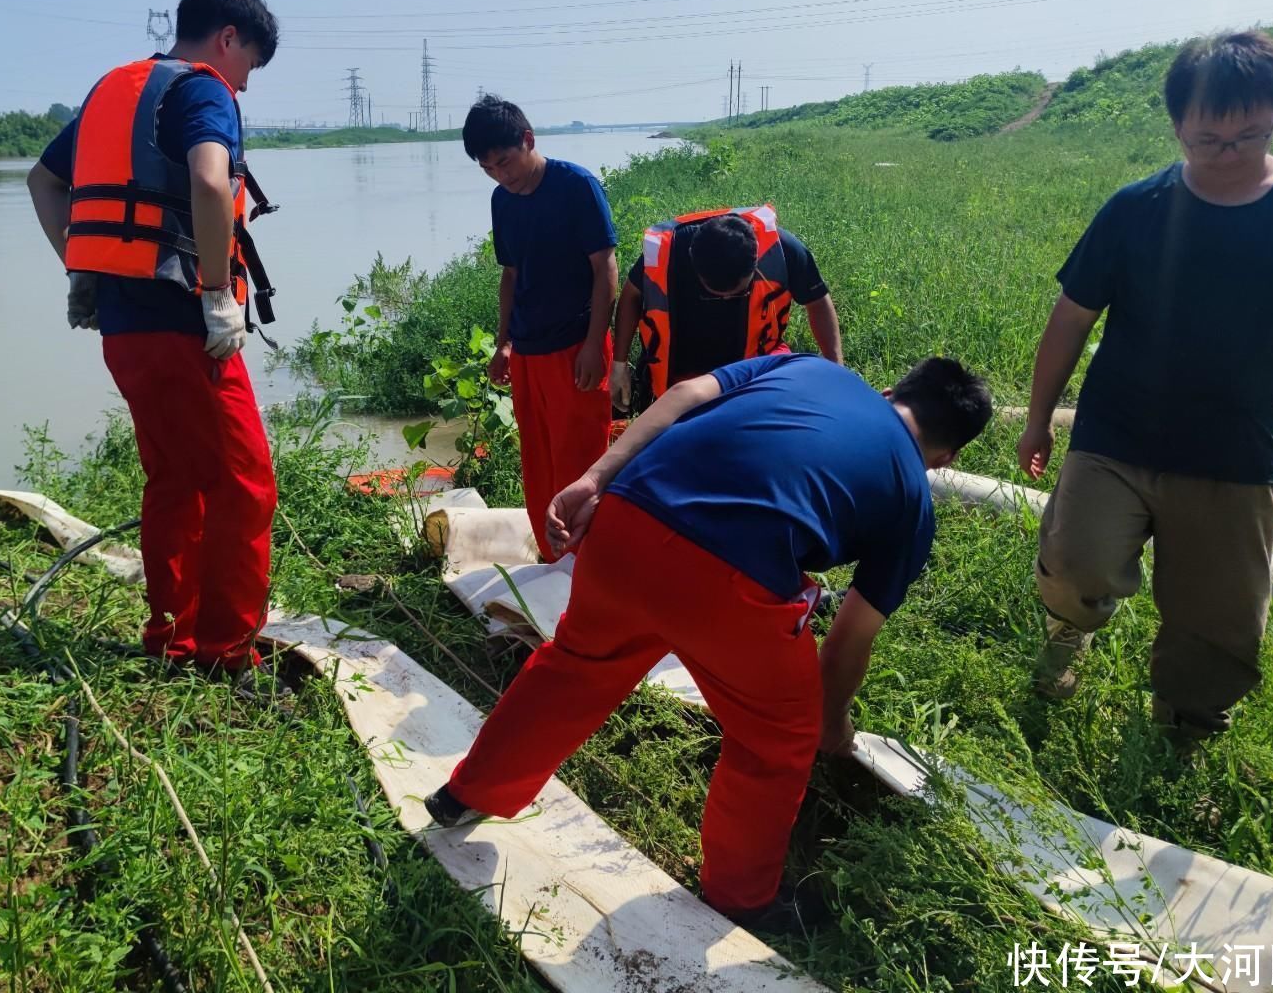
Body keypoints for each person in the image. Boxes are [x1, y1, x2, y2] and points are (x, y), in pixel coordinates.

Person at [424, 353, 992, 925]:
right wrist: (831, 724)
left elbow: (686, 393)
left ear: (891, 388)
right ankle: (740, 901)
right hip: (731, 583)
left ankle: (467, 793)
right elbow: (849, 638)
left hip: (625, 522)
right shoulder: (913, 504)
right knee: (776, 741)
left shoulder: (809, 368)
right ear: (945, 459)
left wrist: (596, 476)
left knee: (576, 666)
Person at [1018, 30, 1273, 738]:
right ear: (1178, 126)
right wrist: (1038, 419)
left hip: (1236, 451)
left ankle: (1187, 714)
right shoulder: (1137, 209)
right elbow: (1070, 319)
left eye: (1248, 135)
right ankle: (1070, 631)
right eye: (1207, 140)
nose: (1227, 155)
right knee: (1075, 562)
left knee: (1219, 616)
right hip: (1118, 433)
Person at [25, 0, 281, 673]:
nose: (245, 87)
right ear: (228, 38)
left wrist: (80, 271)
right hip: (184, 322)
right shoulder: (203, 90)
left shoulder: (117, 90)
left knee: (174, 476)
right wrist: (214, 295)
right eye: (250, 65)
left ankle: (173, 636)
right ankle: (227, 653)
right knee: (244, 481)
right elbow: (206, 180)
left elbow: (43, 182)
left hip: (123, 325)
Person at [463, 95, 618, 562]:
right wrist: (503, 343)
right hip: (528, 350)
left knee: (581, 462)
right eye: (487, 168)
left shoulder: (576, 186)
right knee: (538, 459)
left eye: (505, 161)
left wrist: (594, 344)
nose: (500, 175)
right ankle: (554, 561)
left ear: (528, 140)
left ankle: (589, 563)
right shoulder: (502, 201)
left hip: (575, 347)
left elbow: (605, 267)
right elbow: (510, 274)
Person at [611, 206, 842, 414]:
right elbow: (632, 294)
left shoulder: (782, 250)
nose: (726, 298)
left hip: (756, 366)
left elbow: (818, 301)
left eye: (737, 293)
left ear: (755, 263)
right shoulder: (670, 252)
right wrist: (619, 365)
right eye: (713, 292)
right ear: (693, 262)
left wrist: (836, 371)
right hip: (685, 374)